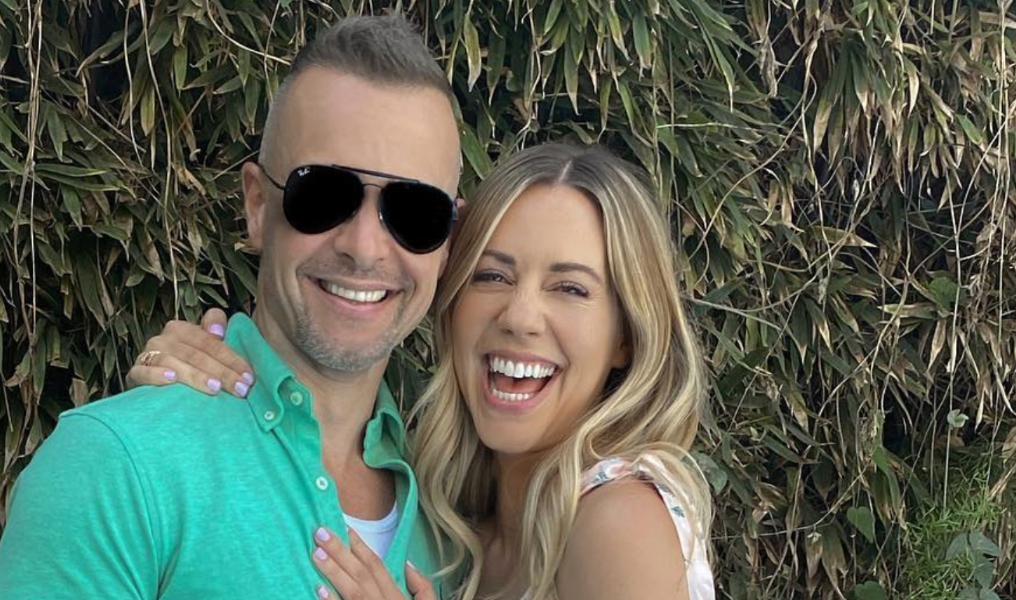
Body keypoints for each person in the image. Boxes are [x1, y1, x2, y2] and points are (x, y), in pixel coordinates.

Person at [0, 14, 461, 600]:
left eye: (415, 213)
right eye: (323, 196)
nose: (364, 247)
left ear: (448, 244)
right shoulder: (116, 464)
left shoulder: (456, 523)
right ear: (257, 205)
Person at [129, 143, 716, 600]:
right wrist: (187, 387)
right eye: (492, 276)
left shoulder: (618, 518)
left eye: (570, 288)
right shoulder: (453, 523)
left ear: (625, 337)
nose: (519, 317)